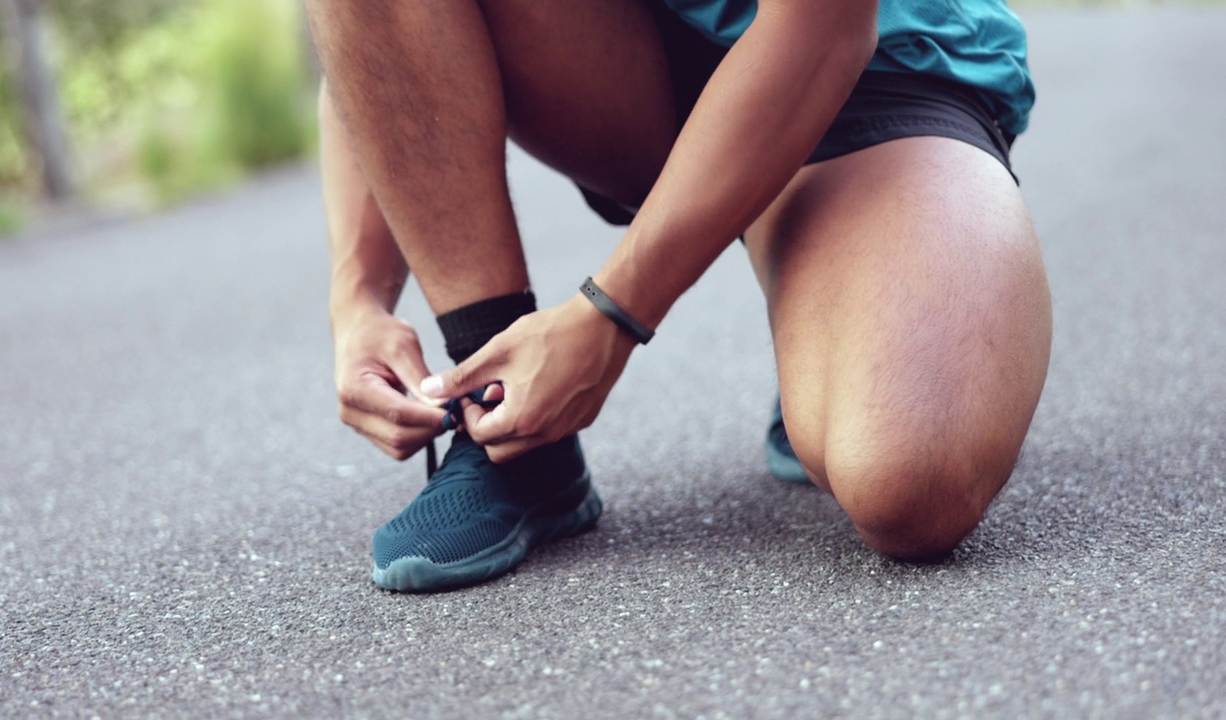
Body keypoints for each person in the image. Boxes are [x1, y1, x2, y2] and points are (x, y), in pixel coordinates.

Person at [307, 0, 1053, 592]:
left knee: (908, 478)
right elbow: (375, 45)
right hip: (636, 61)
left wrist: (610, 316)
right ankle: (507, 427)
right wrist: (359, 301)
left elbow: (823, 28)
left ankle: (818, 273)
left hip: (869, 62)